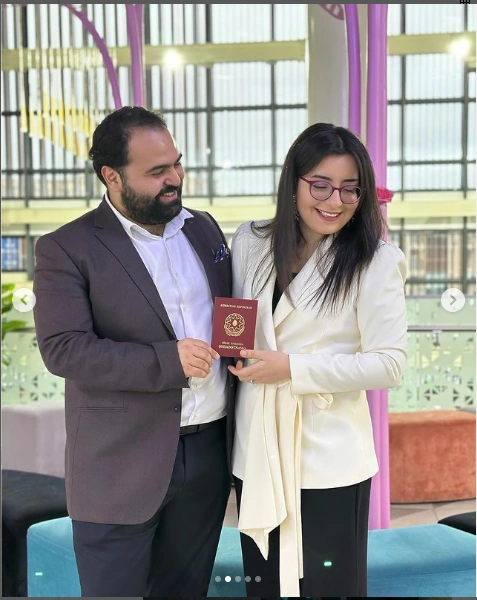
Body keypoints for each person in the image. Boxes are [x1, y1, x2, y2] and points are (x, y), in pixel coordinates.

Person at [33, 106, 235, 597]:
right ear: (112, 176)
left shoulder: (203, 228)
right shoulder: (66, 247)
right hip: (118, 465)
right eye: (157, 171)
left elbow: (231, 313)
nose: (175, 178)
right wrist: (167, 361)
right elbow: (63, 349)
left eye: (177, 163)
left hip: (209, 454)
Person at [228, 123, 407, 597]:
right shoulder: (250, 242)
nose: (335, 201)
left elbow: (389, 363)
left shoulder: (376, 260)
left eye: (350, 188)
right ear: (294, 184)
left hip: (328, 457)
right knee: (264, 585)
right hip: (257, 448)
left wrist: (292, 369)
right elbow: (236, 322)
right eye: (321, 185)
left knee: (328, 586)